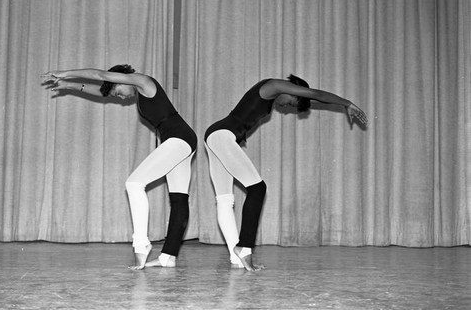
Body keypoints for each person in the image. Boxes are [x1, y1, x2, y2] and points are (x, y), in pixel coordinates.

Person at [204, 75, 367, 272]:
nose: (286, 107)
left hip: (217, 136)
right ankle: (244, 248)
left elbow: (309, 98)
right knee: (257, 188)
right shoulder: (273, 85)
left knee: (224, 199)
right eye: (291, 102)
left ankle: (236, 258)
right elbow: (315, 93)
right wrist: (347, 103)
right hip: (222, 136)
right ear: (292, 91)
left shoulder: (272, 93)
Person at [41, 65, 197, 270]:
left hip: (179, 138)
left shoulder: (145, 82)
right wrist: (68, 85)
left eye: (117, 91)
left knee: (134, 183)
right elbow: (100, 89)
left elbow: (100, 76)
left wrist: (66, 72)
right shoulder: (140, 94)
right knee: (178, 198)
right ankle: (168, 257)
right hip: (181, 139)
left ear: (122, 79)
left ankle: (141, 246)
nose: (120, 98)